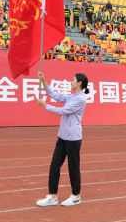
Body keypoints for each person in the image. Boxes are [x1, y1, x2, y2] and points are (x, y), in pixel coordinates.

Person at [35, 71, 89, 207]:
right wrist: (44, 81)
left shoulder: (80, 99)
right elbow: (55, 96)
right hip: (63, 137)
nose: (71, 82)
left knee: (73, 167)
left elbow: (63, 111)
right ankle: (53, 196)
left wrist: (44, 106)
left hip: (73, 138)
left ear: (79, 83)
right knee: (54, 166)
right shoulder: (72, 96)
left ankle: (76, 196)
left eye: (73, 80)